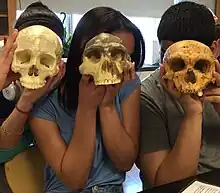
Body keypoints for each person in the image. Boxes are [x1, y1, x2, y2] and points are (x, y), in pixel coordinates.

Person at [29, 6, 145, 193]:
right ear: (83, 51)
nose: (115, 69)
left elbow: (124, 162)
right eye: (99, 56)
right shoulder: (46, 98)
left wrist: (107, 106)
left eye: (121, 58)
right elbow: (75, 180)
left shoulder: (128, 85)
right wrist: (87, 109)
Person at [138, 1, 220, 189]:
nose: (186, 76)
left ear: (214, 49)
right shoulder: (148, 95)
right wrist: (193, 113)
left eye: (197, 63)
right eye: (174, 62)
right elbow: (165, 184)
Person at [0, 2, 64, 192]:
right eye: (25, 58)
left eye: (46, 60)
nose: (35, 69)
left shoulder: (70, 94)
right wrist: (25, 101)